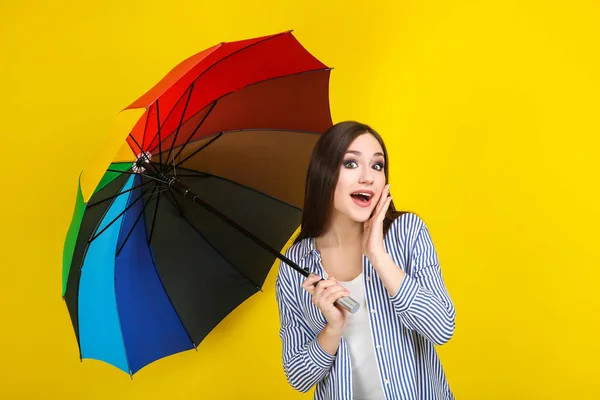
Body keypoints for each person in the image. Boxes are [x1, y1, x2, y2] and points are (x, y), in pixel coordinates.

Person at [275, 121, 456, 400]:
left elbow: (442, 327)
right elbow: (298, 377)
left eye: (377, 165)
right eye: (350, 164)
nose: (368, 177)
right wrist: (333, 328)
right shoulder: (296, 264)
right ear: (324, 173)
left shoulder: (407, 232)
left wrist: (379, 257)